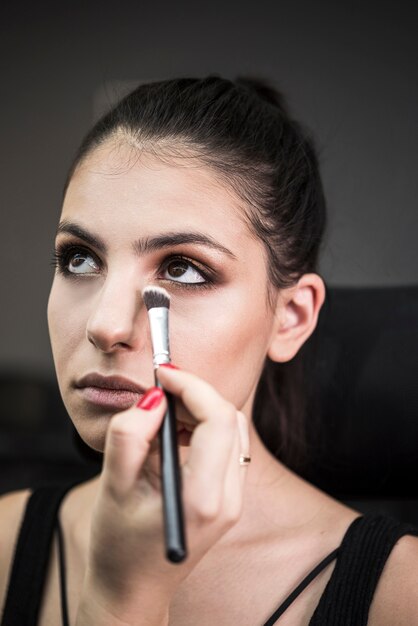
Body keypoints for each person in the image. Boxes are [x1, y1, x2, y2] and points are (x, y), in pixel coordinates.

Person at [0, 74, 417, 626]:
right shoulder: (5, 543)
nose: (104, 325)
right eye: (79, 259)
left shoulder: (402, 596)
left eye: (182, 268)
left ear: (290, 318)